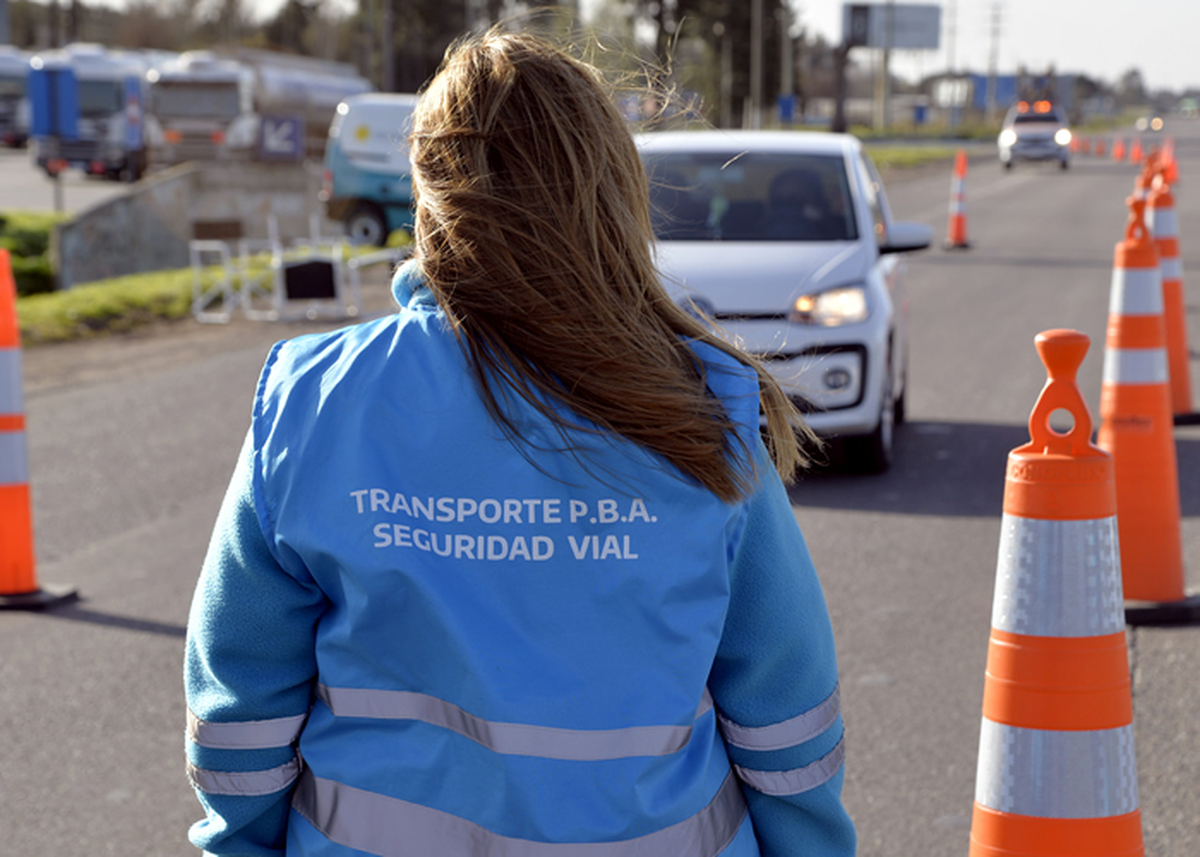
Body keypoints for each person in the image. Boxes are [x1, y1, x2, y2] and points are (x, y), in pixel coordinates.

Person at [184, 27, 856, 857]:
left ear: (427, 194)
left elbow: (240, 704)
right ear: (612, 189)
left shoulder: (316, 400)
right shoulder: (701, 405)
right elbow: (786, 712)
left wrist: (241, 846)